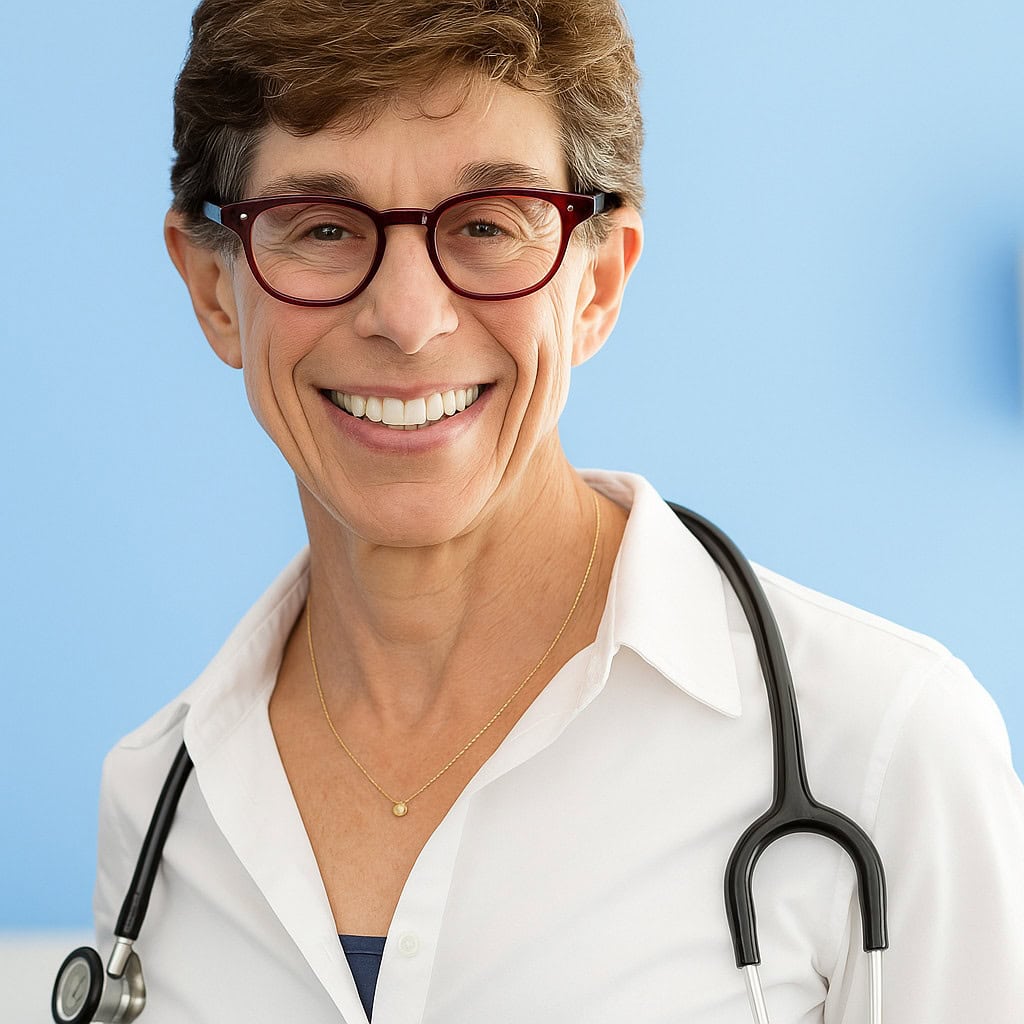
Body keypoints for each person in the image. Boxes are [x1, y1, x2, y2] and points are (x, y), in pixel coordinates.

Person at [91, 1, 1024, 1021]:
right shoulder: (156, 804)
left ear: (597, 284)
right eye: (321, 226)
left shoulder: (886, 750)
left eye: (488, 224)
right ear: (215, 290)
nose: (407, 320)